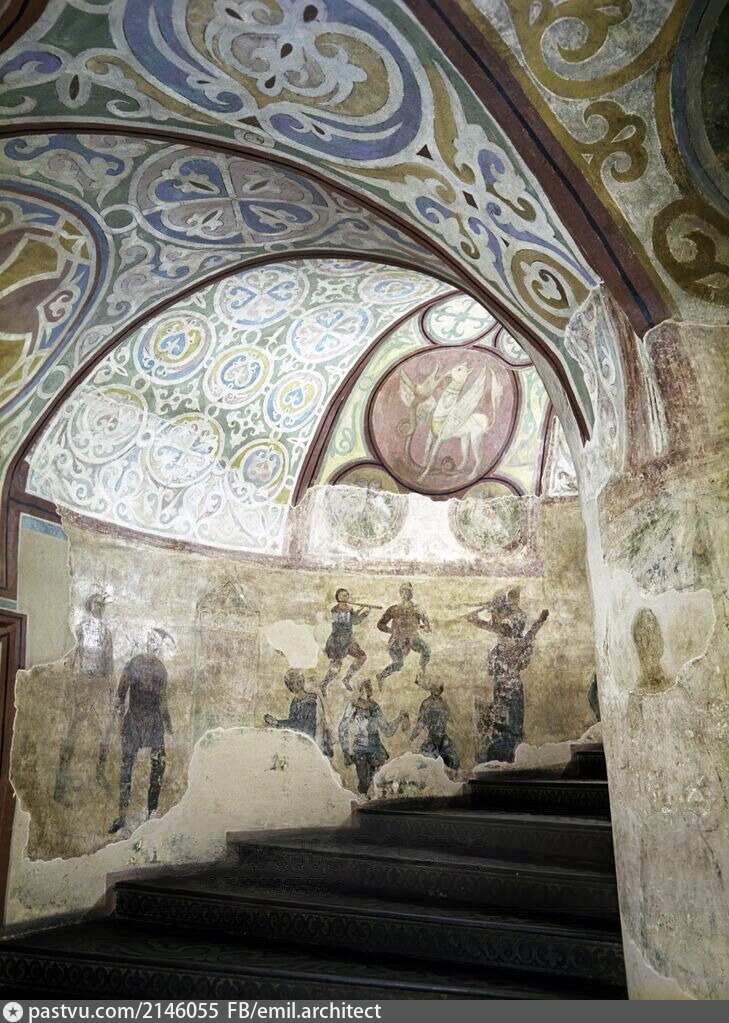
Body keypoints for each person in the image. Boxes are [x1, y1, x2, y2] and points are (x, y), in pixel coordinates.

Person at [467, 588, 548, 763]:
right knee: (502, 726)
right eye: (501, 631)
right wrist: (485, 608)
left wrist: (540, 621)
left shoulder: (513, 647)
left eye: (504, 630)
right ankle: (501, 756)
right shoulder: (498, 651)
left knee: (513, 727)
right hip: (502, 690)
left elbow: (529, 636)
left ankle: (509, 756)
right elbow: (473, 619)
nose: (501, 633)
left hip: (512, 691)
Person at [108, 627, 174, 834]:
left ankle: (151, 813)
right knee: (126, 768)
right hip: (134, 721)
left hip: (154, 722)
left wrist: (168, 725)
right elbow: (120, 694)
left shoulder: (160, 668)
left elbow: (162, 700)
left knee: (158, 766)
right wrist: (117, 717)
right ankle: (122, 817)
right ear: (147, 642)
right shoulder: (134, 663)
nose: (154, 646)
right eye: (152, 641)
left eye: (158, 643)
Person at [54, 590, 114, 806]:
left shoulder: (106, 632)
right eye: (96, 603)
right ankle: (60, 785)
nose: (99, 607)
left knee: (106, 730)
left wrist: (109, 689)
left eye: (102, 604)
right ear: (90, 606)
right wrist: (74, 686)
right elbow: (74, 659)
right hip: (82, 687)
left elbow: (109, 662)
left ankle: (99, 774)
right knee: (74, 731)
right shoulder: (81, 628)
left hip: (99, 687)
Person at [338, 679, 408, 794]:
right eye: (367, 686)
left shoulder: (374, 706)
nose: (370, 689)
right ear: (361, 689)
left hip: (375, 749)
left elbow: (387, 730)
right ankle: (363, 800)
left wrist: (400, 718)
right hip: (360, 749)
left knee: (376, 783)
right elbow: (342, 728)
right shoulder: (353, 705)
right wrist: (345, 751)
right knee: (363, 784)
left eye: (370, 686)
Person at [264, 668, 333, 756]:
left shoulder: (312, 700)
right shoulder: (295, 701)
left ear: (301, 682)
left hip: (313, 744)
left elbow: (304, 725)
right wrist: (276, 723)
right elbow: (292, 721)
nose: (291, 686)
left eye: (292, 682)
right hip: (301, 742)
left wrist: (278, 723)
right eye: (289, 683)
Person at [375, 582, 430, 687]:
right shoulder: (394, 609)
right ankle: (381, 676)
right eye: (403, 591)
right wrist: (392, 631)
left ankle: (420, 676)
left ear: (411, 594)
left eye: (408, 591)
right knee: (398, 664)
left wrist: (421, 627)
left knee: (426, 650)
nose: (406, 594)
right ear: (400, 593)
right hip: (397, 640)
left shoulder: (417, 609)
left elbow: (427, 627)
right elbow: (380, 624)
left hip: (412, 638)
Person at [320, 588, 369, 696]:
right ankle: (324, 683)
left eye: (346, 595)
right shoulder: (335, 610)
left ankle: (347, 678)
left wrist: (361, 611)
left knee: (362, 657)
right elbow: (351, 621)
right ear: (338, 597)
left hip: (348, 639)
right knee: (336, 665)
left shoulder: (349, 608)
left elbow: (353, 619)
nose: (345, 597)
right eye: (343, 595)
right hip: (337, 640)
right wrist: (363, 613)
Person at [410, 682, 459, 772]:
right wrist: (412, 737)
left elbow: (451, 721)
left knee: (454, 762)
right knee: (425, 764)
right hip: (432, 739)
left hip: (443, 739)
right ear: (431, 689)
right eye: (433, 688)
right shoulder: (426, 704)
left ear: (441, 690)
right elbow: (420, 723)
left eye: (438, 689)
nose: (435, 691)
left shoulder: (444, 704)